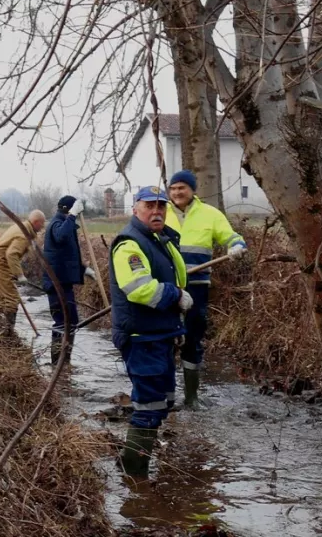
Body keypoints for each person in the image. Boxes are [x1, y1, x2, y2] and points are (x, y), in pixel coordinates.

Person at [109, 186, 192, 477]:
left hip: (159, 335)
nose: (156, 211)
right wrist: (177, 295)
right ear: (136, 209)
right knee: (148, 406)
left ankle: (134, 461)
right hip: (141, 338)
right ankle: (134, 475)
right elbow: (139, 289)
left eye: (161, 206)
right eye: (149, 206)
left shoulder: (158, 239)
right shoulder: (130, 244)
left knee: (162, 402)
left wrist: (174, 325)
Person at [165, 169, 247, 408]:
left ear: (192, 190)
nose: (178, 192)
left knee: (192, 339)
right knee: (165, 339)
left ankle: (191, 398)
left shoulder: (210, 214)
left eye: (182, 187)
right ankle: (167, 398)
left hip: (197, 287)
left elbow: (231, 237)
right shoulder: (160, 212)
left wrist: (237, 245)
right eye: (174, 188)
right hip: (166, 288)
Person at [41, 195, 96, 365]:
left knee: (71, 321)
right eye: (75, 212)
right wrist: (72, 215)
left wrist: (83, 269)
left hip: (64, 283)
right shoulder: (57, 224)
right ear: (68, 209)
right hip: (57, 284)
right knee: (62, 321)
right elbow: (60, 237)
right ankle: (58, 363)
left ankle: (65, 362)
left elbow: (65, 255)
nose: (77, 216)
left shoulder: (67, 224)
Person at [0, 210, 46, 339]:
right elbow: (11, 254)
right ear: (35, 222)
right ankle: (8, 333)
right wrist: (19, 275)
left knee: (3, 297)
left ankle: (2, 329)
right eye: (42, 224)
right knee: (11, 299)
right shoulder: (24, 234)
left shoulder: (23, 227)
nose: (43, 227)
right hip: (0, 263)